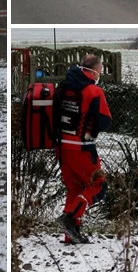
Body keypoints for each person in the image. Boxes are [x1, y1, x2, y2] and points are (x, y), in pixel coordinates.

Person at [55, 54, 112, 244]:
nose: (100, 73)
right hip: (82, 148)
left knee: (75, 188)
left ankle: (71, 235)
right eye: (101, 69)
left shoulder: (63, 88)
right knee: (99, 186)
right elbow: (105, 122)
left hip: (62, 147)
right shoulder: (93, 92)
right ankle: (69, 217)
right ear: (95, 69)